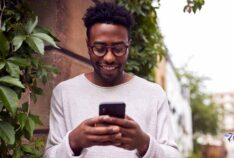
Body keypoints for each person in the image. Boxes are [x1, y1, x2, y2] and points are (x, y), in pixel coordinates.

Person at [43, 2, 180, 158]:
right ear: (88, 46)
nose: (109, 57)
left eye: (118, 48)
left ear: (129, 46)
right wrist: (73, 142)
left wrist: (144, 143)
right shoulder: (64, 93)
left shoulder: (154, 94)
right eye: (100, 48)